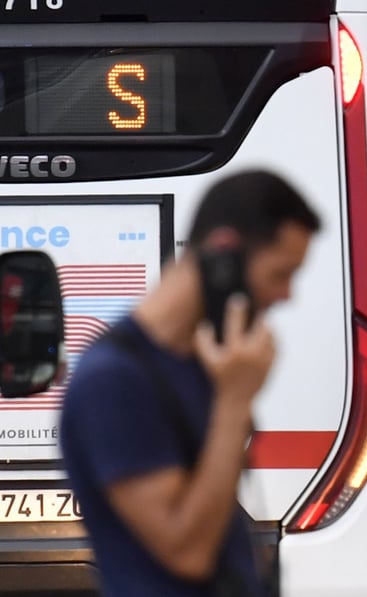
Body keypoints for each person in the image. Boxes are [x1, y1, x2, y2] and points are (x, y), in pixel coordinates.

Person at [60, 171, 321, 596]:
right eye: (280, 273)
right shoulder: (112, 382)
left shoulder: (202, 362)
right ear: (224, 253)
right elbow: (188, 551)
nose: (286, 295)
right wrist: (234, 403)